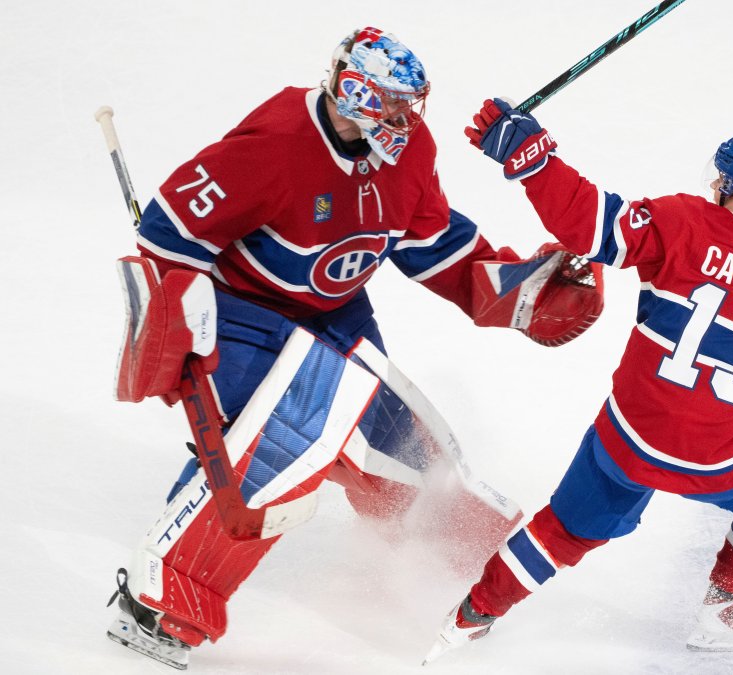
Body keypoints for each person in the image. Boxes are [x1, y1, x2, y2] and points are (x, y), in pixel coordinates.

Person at [104, 32, 603, 670]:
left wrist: (514, 292)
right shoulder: (275, 147)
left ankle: (469, 577)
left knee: (402, 454)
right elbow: (166, 238)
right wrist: (171, 324)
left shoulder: (409, 150)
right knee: (285, 438)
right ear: (355, 91)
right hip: (244, 316)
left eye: (412, 104)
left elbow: (428, 242)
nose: (408, 120)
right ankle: (163, 606)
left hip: (338, 313)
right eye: (393, 105)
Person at [426, 99, 733, 661]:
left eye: (726, 180)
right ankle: (728, 612)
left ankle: (468, 619)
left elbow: (589, 223)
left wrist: (529, 155)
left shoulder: (682, 221)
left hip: (629, 438)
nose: (715, 184)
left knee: (566, 528)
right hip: (721, 458)